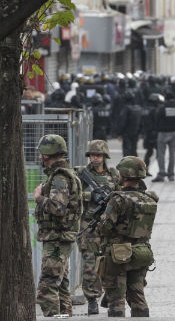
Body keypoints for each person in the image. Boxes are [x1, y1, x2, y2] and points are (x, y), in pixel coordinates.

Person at [96, 156, 159, 317]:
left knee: (116, 299)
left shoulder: (118, 200)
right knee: (138, 296)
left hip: (119, 255)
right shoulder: (149, 199)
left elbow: (104, 228)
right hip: (142, 253)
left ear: (124, 175)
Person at [33, 134, 83, 317]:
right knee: (61, 286)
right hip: (60, 238)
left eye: (41, 153)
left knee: (47, 288)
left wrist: (39, 198)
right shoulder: (63, 174)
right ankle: (64, 316)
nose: (40, 157)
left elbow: (57, 207)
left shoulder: (59, 177)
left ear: (48, 154)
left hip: (57, 238)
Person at [75, 140, 119, 315]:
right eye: (92, 155)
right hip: (89, 226)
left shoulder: (114, 174)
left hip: (109, 225)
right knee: (90, 264)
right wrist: (90, 196)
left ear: (104, 156)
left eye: (98, 155)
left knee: (110, 262)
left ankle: (110, 294)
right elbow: (71, 195)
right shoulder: (81, 174)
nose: (95, 158)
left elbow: (122, 194)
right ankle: (92, 299)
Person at [152, 92, 175, 182]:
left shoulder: (162, 108)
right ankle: (171, 174)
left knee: (161, 154)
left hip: (163, 133)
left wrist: (156, 130)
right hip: (174, 132)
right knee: (172, 154)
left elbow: (157, 119)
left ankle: (161, 174)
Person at [142, 93, 162, 176]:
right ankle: (161, 170)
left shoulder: (144, 110)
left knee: (149, 152)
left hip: (147, 133)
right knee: (159, 152)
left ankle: (145, 170)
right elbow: (157, 121)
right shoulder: (155, 110)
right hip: (154, 133)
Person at [117, 90, 142, 157]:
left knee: (127, 150)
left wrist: (119, 133)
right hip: (136, 132)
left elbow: (122, 122)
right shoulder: (138, 108)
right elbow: (141, 122)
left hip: (127, 133)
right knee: (134, 150)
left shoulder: (126, 108)